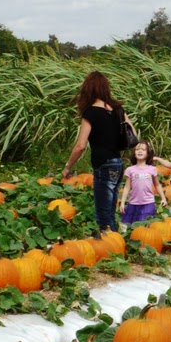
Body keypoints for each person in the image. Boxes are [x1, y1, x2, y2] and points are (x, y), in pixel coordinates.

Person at [62, 70, 129, 234]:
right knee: (110, 207)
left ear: (88, 89)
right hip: (118, 163)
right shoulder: (118, 109)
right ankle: (115, 240)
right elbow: (131, 131)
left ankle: (110, 246)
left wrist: (68, 166)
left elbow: (80, 146)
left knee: (103, 212)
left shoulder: (90, 112)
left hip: (103, 165)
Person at [117, 142, 165, 227]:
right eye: (137, 149)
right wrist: (123, 202)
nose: (140, 151)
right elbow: (127, 187)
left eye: (143, 149)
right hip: (134, 202)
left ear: (148, 153)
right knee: (132, 226)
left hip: (148, 202)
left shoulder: (152, 169)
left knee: (146, 225)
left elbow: (157, 185)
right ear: (134, 153)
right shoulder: (130, 169)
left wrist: (163, 198)